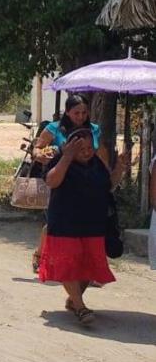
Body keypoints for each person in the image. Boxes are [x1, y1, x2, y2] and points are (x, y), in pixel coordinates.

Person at [39, 128, 130, 325]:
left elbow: (107, 186)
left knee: (90, 267)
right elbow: (52, 181)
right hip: (65, 224)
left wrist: (119, 169)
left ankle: (74, 299)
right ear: (71, 146)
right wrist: (67, 157)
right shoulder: (60, 160)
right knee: (68, 265)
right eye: (81, 148)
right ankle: (80, 308)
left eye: (90, 147)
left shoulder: (96, 164)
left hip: (93, 225)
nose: (87, 152)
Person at [30, 94, 109, 272]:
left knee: (85, 221)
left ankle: (84, 265)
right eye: (76, 113)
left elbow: (101, 153)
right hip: (60, 180)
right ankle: (41, 254)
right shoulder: (54, 128)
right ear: (67, 112)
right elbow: (37, 147)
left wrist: (107, 175)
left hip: (87, 181)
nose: (81, 117)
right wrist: (39, 154)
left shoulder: (94, 130)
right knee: (56, 221)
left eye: (84, 113)